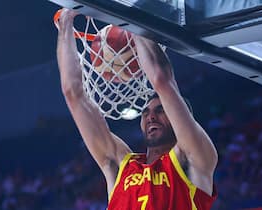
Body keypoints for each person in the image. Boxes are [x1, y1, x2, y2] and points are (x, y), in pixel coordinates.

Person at [56, 8, 218, 210]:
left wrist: (132, 17)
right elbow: (73, 93)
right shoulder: (121, 164)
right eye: (146, 112)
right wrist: (66, 23)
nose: (150, 117)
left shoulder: (194, 159)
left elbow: (161, 80)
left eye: (160, 110)